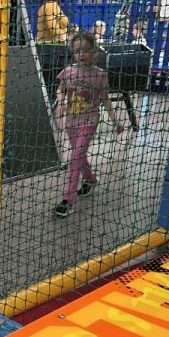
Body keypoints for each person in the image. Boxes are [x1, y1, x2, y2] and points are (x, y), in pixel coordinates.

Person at [53, 32, 124, 218]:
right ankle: (90, 180)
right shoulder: (68, 71)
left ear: (95, 53)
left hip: (90, 121)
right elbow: (60, 89)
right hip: (71, 122)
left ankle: (67, 201)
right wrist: (61, 101)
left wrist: (115, 120)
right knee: (80, 155)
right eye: (77, 51)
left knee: (75, 157)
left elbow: (105, 99)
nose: (82, 54)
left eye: (86, 50)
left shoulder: (100, 75)